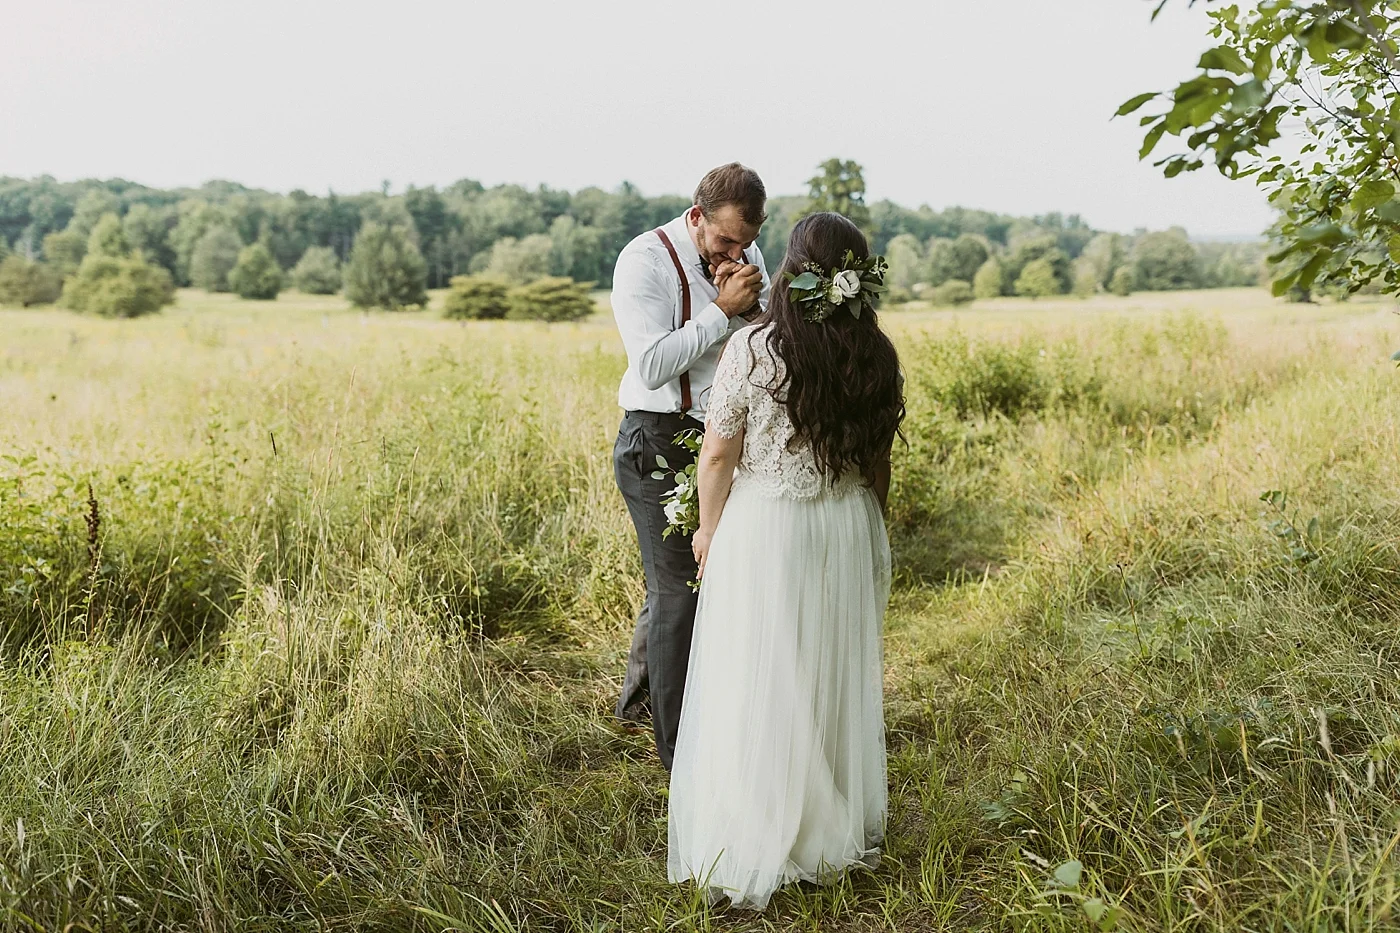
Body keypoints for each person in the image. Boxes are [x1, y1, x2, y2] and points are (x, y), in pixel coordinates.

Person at [666, 212, 905, 909]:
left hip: (767, 528)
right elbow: (878, 459)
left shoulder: (753, 347)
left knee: (760, 670)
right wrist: (870, 525)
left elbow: (717, 452)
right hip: (844, 521)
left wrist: (708, 530)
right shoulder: (877, 353)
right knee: (827, 669)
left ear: (794, 271)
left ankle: (763, 821)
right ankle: (823, 817)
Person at [610, 162, 771, 769]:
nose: (737, 250)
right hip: (656, 439)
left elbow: (756, 344)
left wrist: (751, 309)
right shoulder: (643, 261)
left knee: (676, 579)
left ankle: (637, 702)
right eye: (727, 239)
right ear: (697, 216)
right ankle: (678, 755)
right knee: (679, 590)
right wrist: (721, 311)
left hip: (721, 442)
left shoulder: (744, 254)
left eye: (747, 241)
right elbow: (650, 366)